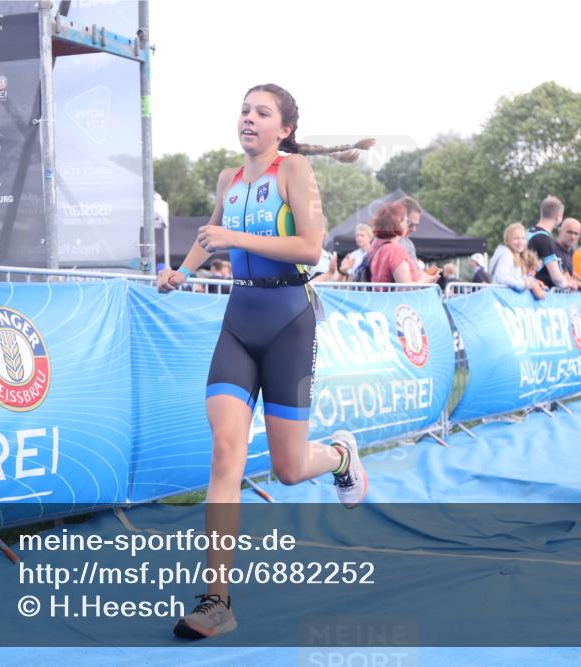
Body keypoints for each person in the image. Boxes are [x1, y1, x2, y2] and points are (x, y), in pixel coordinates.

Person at [156, 84, 373, 639]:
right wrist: (182, 268)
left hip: (288, 324)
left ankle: (341, 455)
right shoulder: (230, 179)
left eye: (262, 112)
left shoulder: (294, 171)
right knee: (226, 450)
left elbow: (309, 247)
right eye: (244, 110)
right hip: (239, 322)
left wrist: (234, 236)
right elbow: (211, 235)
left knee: (289, 469)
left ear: (284, 129)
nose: (248, 119)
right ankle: (216, 600)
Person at [367, 202, 441, 285]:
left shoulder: (378, 246)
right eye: (407, 222)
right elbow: (405, 288)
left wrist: (423, 277)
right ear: (398, 223)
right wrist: (424, 281)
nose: (410, 227)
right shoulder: (395, 250)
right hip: (399, 297)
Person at [527, 196, 572, 289]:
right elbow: (557, 278)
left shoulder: (526, 233)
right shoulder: (545, 240)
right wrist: (568, 283)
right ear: (558, 217)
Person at [489, 222, 541, 293]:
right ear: (507, 241)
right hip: (502, 297)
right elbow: (502, 277)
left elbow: (515, 277)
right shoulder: (506, 255)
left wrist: (531, 281)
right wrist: (523, 284)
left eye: (523, 238)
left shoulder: (516, 255)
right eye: (516, 238)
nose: (520, 242)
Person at [399, 196, 422, 263]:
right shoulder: (382, 243)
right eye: (411, 224)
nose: (414, 229)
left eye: (415, 225)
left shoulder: (408, 244)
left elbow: (414, 271)